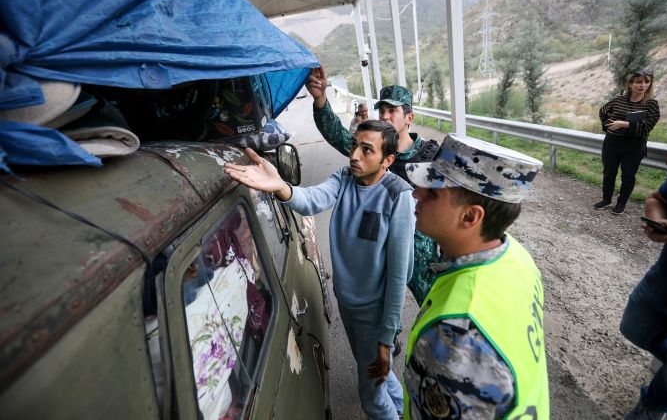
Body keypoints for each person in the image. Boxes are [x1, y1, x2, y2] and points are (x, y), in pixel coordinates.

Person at [224, 120, 415, 419]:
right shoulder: (344, 178)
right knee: (379, 370)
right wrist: (281, 187)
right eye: (355, 146)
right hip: (349, 305)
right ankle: (401, 409)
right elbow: (312, 200)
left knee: (372, 397)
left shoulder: (397, 195)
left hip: (374, 314)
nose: (354, 155)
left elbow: (399, 274)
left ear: (387, 160)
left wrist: (386, 337)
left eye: (367, 150)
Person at [402, 133, 550, 419]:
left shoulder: (456, 337)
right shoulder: (515, 256)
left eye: (432, 191)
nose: (416, 193)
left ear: (470, 217)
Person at [306, 65, 440, 309]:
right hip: (378, 240)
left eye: (393, 111)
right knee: (382, 302)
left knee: (432, 303)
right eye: (383, 111)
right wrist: (321, 99)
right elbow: (336, 134)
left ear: (409, 117)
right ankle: (388, 340)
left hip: (419, 245)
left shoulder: (430, 155)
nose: (386, 116)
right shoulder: (371, 150)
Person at [619, 176, 667, 420]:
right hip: (665, 279)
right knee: (632, 327)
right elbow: (657, 199)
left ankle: (654, 404)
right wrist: (657, 220)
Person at [594, 70, 660, 214]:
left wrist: (623, 124)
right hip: (612, 142)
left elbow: (648, 125)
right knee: (609, 172)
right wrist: (609, 124)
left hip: (634, 145)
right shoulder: (618, 100)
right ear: (630, 84)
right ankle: (606, 199)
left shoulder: (651, 104)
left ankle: (621, 203)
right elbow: (603, 111)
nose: (643, 85)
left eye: (646, 82)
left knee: (628, 175)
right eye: (638, 82)